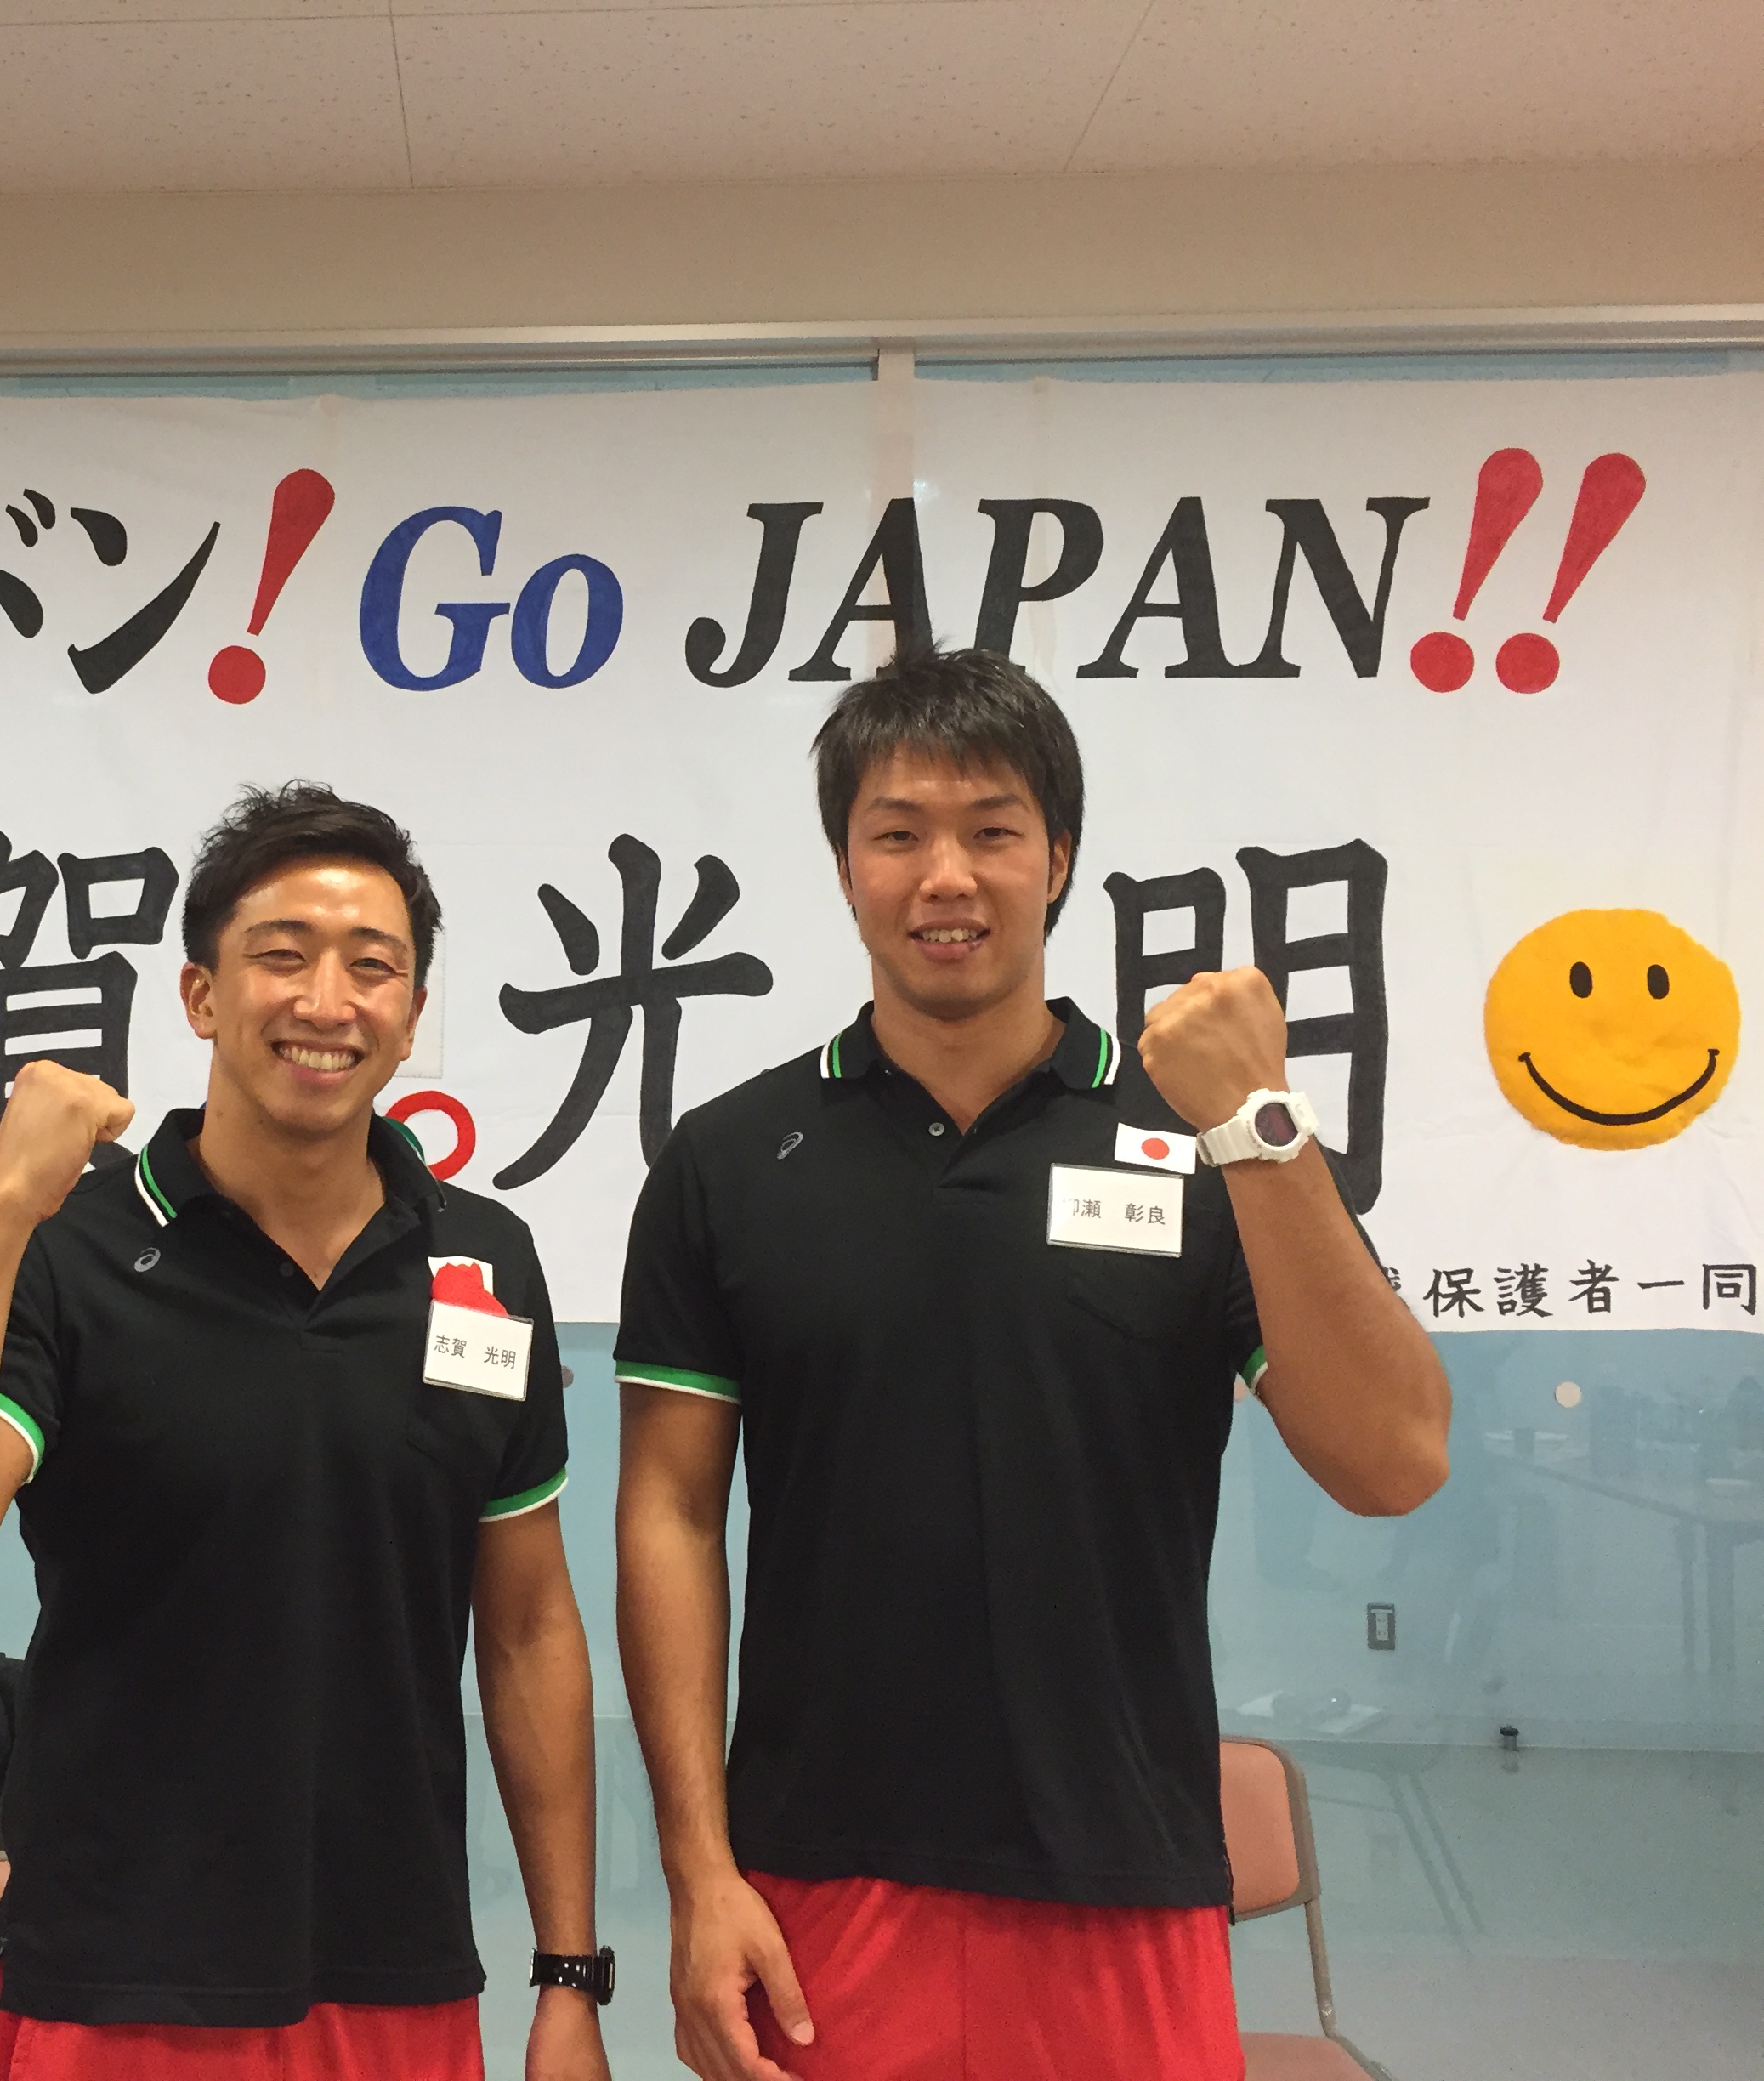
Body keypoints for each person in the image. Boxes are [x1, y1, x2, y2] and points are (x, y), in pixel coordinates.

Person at [613, 647, 1450, 2081]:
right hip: (818, 1880)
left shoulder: (1206, 1142)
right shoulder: (731, 1160)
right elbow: (671, 1514)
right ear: (844, 866)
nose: (946, 876)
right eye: (898, 834)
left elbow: (1395, 1463)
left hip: (1123, 1875)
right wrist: (699, 1872)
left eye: (993, 830)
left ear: (1058, 858)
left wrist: (1260, 1121)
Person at [0, 782, 614, 2081]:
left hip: (397, 1978)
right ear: (201, 996)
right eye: (283, 956)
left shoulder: (483, 1262)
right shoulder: (71, 1252)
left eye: (372, 967)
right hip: (112, 1981)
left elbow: (529, 1625)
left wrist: (570, 1974)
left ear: (412, 1015)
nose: (327, 1001)